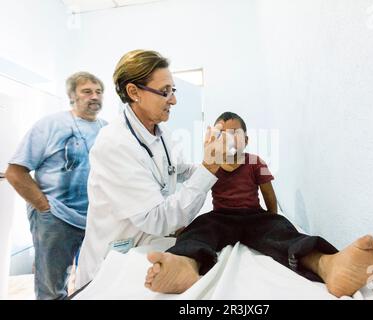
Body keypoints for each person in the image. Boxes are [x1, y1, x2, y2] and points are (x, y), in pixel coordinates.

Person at [144, 112, 373, 298]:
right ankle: (185, 264)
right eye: (222, 134)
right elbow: (195, 195)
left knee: (282, 233)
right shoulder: (210, 164)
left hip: (254, 216)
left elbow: (268, 194)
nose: (229, 140)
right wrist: (183, 226)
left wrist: (273, 218)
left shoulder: (256, 162)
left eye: (235, 134)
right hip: (220, 217)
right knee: (199, 230)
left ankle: (328, 264)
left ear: (246, 140)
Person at [74, 49, 226, 290]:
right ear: (133, 92)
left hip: (147, 253)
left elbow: (179, 170)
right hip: (112, 264)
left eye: (172, 91)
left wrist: (220, 166)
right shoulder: (114, 144)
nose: (173, 100)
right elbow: (157, 219)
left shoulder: (159, 133)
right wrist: (210, 167)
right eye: (165, 92)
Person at [5, 72, 107, 299]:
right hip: (56, 218)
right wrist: (44, 207)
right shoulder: (50, 125)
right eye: (87, 91)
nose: (95, 96)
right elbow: (15, 172)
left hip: (95, 220)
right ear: (72, 95)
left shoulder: (107, 129)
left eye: (99, 92)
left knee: (97, 283)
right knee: (52, 288)